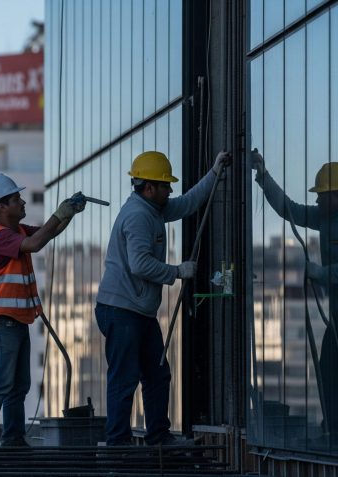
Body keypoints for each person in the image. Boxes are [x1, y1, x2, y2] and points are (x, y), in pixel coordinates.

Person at [95, 150, 231, 446]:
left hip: (136, 311)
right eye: (165, 185)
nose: (170, 190)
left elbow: (187, 204)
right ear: (149, 187)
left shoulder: (153, 208)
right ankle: (118, 443)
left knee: (157, 374)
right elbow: (139, 264)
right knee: (125, 377)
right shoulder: (138, 216)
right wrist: (178, 271)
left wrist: (214, 171)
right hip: (121, 309)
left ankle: (158, 436)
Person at [0, 173, 86, 448]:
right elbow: (35, 245)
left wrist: (67, 212)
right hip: (2, 322)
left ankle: (13, 439)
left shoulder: (17, 232)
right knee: (1, 381)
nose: (22, 202)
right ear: (1, 206)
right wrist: (61, 212)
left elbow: (48, 233)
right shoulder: (0, 237)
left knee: (18, 386)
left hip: (16, 321)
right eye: (15, 198)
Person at [251, 151, 338, 440]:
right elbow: (289, 210)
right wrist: (263, 176)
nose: (316, 201)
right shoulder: (324, 217)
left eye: (322, 195)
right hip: (336, 318)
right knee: (328, 370)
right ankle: (333, 427)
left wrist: (322, 274)